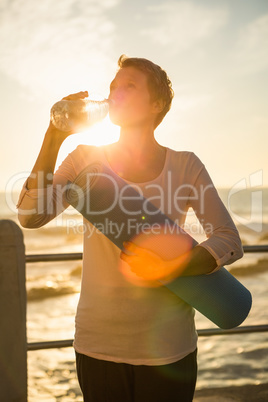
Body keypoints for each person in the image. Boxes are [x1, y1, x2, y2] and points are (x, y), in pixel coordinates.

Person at [17, 55, 244, 401]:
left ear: (156, 104)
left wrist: (171, 267)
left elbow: (228, 239)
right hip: (98, 345)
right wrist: (53, 136)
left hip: (170, 348)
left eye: (129, 86)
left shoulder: (185, 165)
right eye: (112, 87)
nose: (114, 94)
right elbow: (31, 216)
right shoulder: (84, 159)